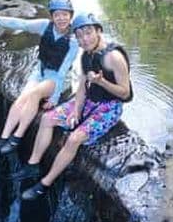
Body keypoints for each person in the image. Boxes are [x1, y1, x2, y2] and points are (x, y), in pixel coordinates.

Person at [21, 13, 133, 201]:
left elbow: (125, 93)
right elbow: (81, 87)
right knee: (48, 118)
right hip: (89, 99)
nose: (84, 39)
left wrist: (103, 82)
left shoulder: (114, 57)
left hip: (109, 107)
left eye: (88, 33)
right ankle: (33, 164)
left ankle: (45, 183)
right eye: (79, 36)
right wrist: (76, 111)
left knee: (74, 139)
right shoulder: (86, 56)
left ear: (98, 31)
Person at [0, 0, 78, 156]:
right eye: (57, 15)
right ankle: (3, 137)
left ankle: (17, 137)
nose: (61, 18)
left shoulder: (73, 40)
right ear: (52, 16)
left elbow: (63, 70)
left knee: (34, 94)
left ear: (70, 16)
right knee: (22, 98)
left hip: (56, 78)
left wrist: (54, 97)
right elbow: (18, 23)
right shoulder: (44, 26)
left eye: (65, 14)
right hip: (39, 71)